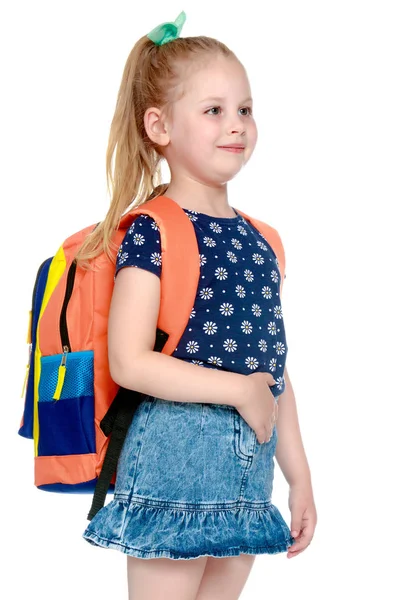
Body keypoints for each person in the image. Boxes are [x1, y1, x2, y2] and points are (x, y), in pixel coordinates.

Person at [79, 10, 317, 600]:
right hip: (174, 462)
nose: (236, 125)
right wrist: (238, 390)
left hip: (250, 470)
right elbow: (131, 362)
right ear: (158, 125)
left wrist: (300, 477)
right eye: (213, 110)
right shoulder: (154, 230)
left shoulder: (263, 239)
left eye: (245, 108)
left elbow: (273, 370)